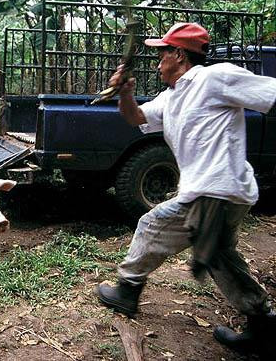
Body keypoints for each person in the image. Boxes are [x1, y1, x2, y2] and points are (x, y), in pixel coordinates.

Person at [96, 22, 276, 358]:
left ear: (179, 54)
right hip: (215, 193)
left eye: (162, 53)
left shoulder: (213, 77)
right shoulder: (172, 97)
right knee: (219, 256)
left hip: (216, 190)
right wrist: (124, 93)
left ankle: (128, 290)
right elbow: (135, 118)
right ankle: (262, 325)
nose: (158, 61)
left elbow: (270, 94)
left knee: (153, 225)